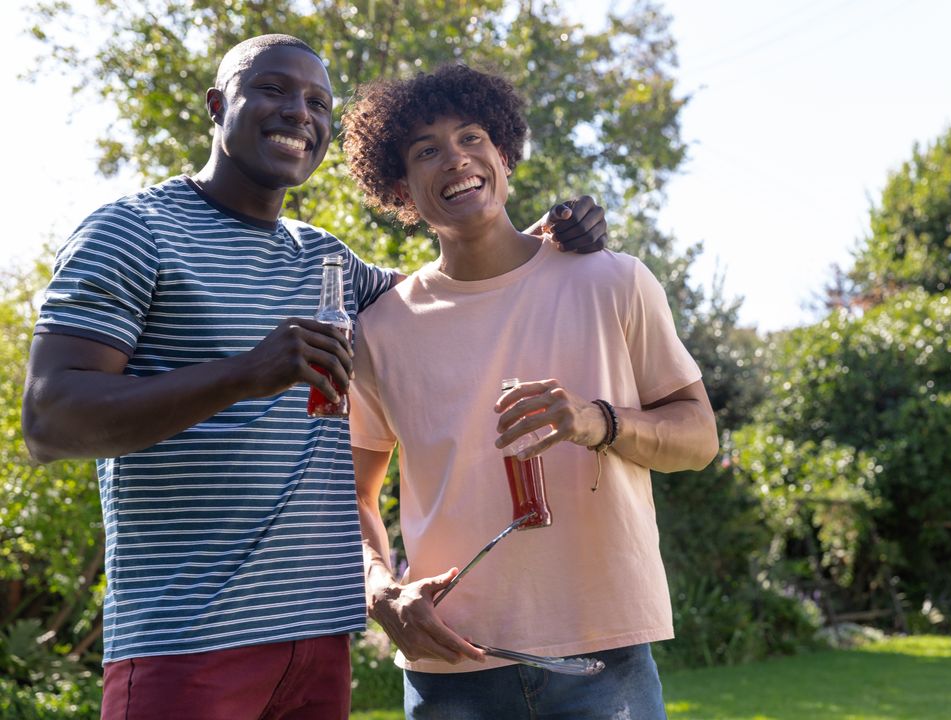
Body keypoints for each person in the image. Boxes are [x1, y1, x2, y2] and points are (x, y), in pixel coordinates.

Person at [21, 35, 606, 720]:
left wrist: (542, 239)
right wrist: (244, 374)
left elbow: (450, 293)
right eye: (272, 89)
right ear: (218, 105)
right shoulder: (133, 232)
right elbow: (50, 421)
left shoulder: (325, 260)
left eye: (318, 102)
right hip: (186, 646)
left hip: (318, 645)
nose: (299, 111)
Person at [342, 63, 719, 719]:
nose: (454, 160)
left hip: (604, 661)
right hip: (450, 664)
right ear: (402, 187)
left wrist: (597, 421)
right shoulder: (381, 330)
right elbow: (355, 493)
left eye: (470, 138)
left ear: (504, 154)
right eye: (426, 151)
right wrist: (381, 587)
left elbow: (699, 440)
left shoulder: (614, 281)